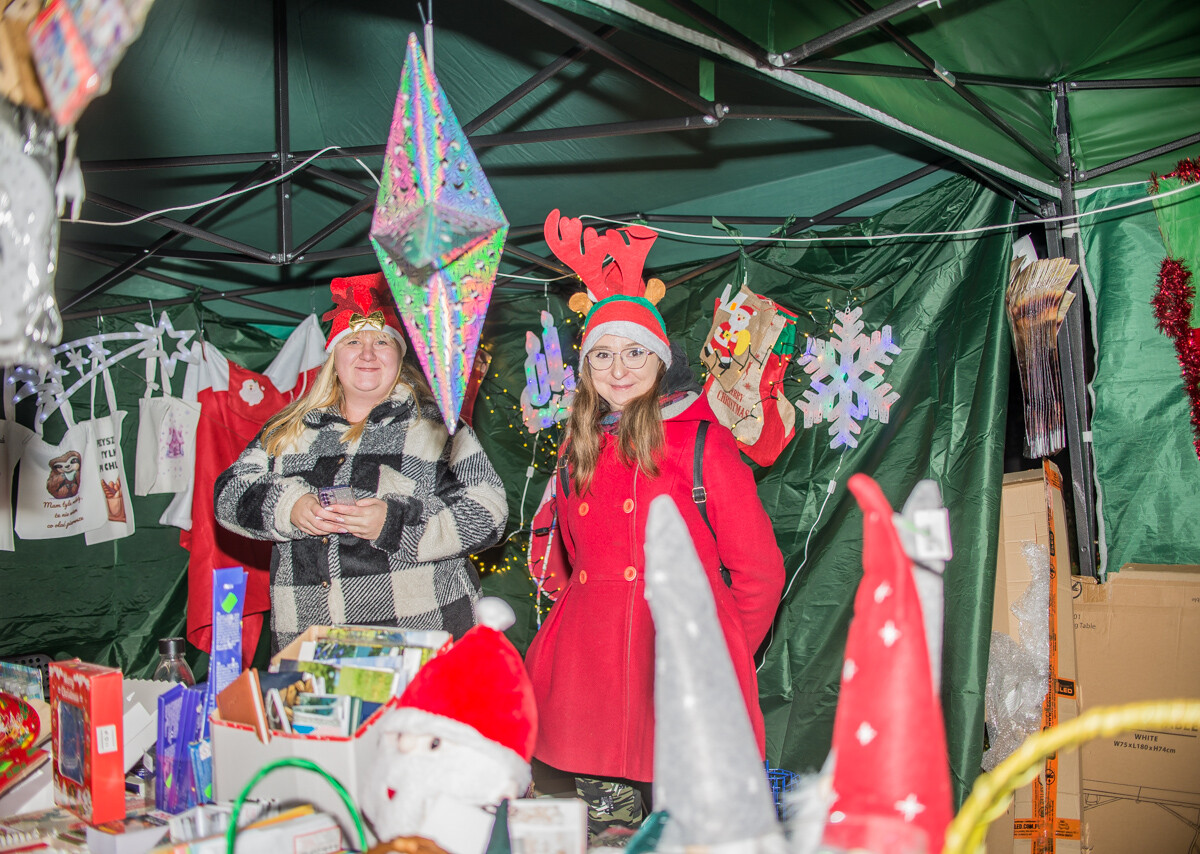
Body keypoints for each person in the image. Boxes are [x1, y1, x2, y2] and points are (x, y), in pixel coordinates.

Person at [523, 293, 786, 838]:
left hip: (675, 687)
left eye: (635, 353)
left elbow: (760, 574)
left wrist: (719, 652)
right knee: (602, 843)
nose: (618, 369)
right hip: (585, 692)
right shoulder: (578, 451)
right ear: (585, 367)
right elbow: (577, 569)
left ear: (662, 361)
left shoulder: (703, 443)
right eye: (602, 355)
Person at [214, 273, 508, 653]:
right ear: (334, 356)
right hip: (309, 649)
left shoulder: (440, 429)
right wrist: (290, 507)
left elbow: (490, 511)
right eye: (353, 341)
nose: (367, 353)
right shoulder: (288, 429)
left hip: (415, 647)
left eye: (382, 341)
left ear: (399, 355)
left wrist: (394, 524)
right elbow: (228, 493)